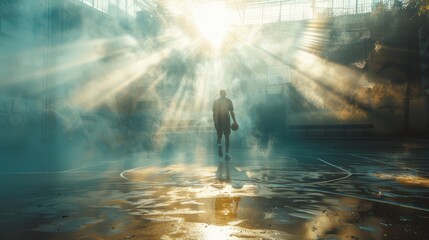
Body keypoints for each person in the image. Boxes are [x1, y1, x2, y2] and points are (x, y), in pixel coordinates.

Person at [213, 89, 237, 160]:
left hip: (219, 120)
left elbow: (214, 113)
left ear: (220, 94)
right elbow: (232, 112)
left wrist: (215, 122)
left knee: (219, 136)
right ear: (225, 94)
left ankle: (220, 146)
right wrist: (235, 121)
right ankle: (227, 154)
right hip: (226, 120)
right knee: (227, 137)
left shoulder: (216, 102)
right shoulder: (229, 101)